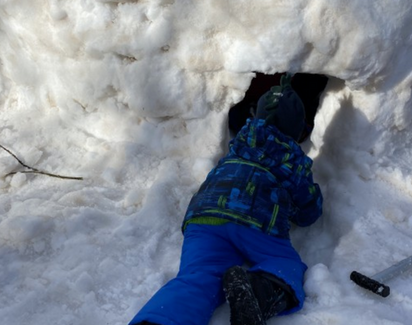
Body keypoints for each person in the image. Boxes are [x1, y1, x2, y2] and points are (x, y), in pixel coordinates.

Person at [129, 73, 323, 325]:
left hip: (204, 217)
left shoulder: (238, 144)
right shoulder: (292, 158)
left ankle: (158, 321)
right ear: (297, 130)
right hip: (255, 220)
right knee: (284, 263)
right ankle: (258, 292)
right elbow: (309, 213)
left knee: (198, 276)